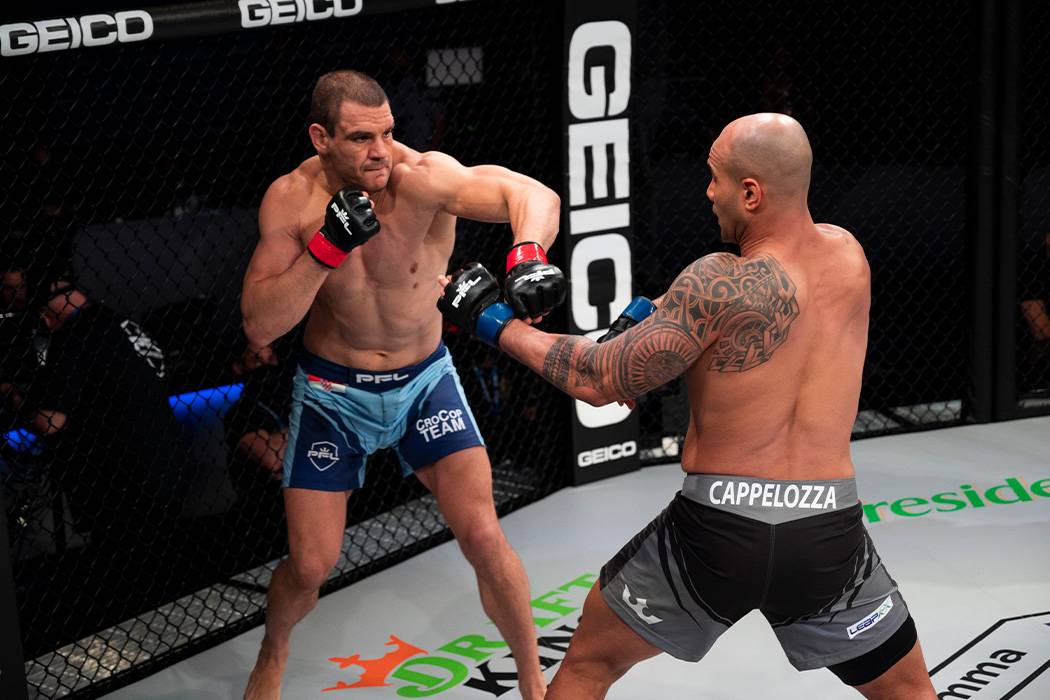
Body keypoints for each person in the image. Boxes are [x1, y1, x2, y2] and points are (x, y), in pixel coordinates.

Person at [439, 113, 938, 699]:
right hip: (827, 534)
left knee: (588, 666)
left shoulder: (713, 280)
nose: (707, 192)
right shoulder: (849, 257)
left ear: (750, 193)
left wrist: (491, 319)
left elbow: (597, 379)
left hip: (717, 534)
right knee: (910, 692)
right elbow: (747, 327)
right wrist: (652, 323)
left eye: (715, 177)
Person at [240, 69, 564, 700]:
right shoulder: (292, 200)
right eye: (361, 138)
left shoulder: (423, 177)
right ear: (321, 138)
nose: (381, 152)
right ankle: (274, 649)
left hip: (423, 382)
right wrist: (327, 248)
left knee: (484, 535)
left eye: (387, 133)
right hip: (333, 393)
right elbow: (259, 326)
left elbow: (533, 194)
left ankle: (533, 682)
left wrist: (527, 253)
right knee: (311, 565)